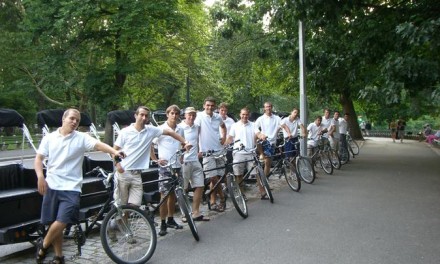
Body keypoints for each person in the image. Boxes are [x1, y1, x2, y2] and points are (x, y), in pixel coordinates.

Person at [34, 109, 125, 264]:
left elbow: (99, 145)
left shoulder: (81, 138)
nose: (75, 122)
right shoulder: (49, 138)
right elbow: (38, 158)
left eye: (77, 120)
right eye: (72, 118)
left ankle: (43, 245)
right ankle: (58, 256)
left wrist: (114, 152)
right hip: (52, 185)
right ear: (63, 119)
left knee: (63, 219)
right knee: (54, 223)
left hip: (72, 187)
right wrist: (40, 177)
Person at [114, 106, 191, 237]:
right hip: (124, 173)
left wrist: (185, 142)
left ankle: (121, 225)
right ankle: (120, 227)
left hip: (137, 174)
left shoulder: (151, 130)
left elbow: (170, 133)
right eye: (141, 115)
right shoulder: (125, 132)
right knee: (122, 205)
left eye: (146, 116)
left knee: (134, 206)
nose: (144, 118)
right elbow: (114, 149)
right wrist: (117, 164)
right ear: (136, 116)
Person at [195, 97, 227, 212]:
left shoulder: (218, 117)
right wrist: (198, 149)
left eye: (212, 105)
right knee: (213, 177)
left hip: (218, 150)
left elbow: (223, 126)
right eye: (208, 105)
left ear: (215, 106)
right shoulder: (199, 116)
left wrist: (223, 138)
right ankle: (223, 197)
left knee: (218, 178)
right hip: (206, 151)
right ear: (204, 105)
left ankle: (213, 201)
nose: (210, 107)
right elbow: (196, 133)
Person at [225, 107, 264, 200]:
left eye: (246, 114)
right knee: (239, 175)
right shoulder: (235, 125)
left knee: (257, 173)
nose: (244, 116)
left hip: (251, 152)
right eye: (243, 114)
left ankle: (263, 191)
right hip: (238, 153)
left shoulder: (253, 125)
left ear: (248, 115)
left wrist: (262, 136)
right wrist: (224, 144)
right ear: (240, 114)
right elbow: (230, 137)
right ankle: (242, 194)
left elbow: (258, 133)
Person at [178, 107, 210, 221]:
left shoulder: (197, 127)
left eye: (193, 115)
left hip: (195, 160)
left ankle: (196, 212)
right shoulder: (180, 127)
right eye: (189, 115)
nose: (191, 117)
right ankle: (184, 213)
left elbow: (199, 140)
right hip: (184, 162)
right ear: (185, 115)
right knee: (183, 188)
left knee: (200, 185)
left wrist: (200, 150)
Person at [255, 102, 282, 177]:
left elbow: (283, 125)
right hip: (264, 142)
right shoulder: (261, 118)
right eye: (266, 107)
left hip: (272, 142)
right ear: (264, 108)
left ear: (272, 107)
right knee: (267, 162)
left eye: (269, 106)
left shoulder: (277, 118)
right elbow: (255, 127)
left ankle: (264, 180)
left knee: (268, 163)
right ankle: (263, 181)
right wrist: (260, 134)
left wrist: (279, 130)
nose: (268, 108)